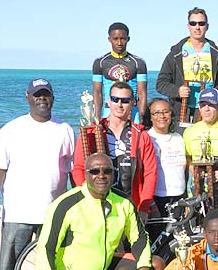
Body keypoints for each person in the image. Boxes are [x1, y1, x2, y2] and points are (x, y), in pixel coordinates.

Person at [36, 153, 153, 270]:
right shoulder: (66, 204)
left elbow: (139, 238)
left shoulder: (123, 202)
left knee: (154, 263)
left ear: (113, 174)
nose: (101, 175)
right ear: (85, 175)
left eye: (107, 171)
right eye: (95, 171)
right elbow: (46, 248)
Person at [0, 78, 75, 270]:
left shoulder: (65, 129)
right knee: (9, 262)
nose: (42, 99)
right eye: (37, 95)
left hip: (54, 210)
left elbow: (72, 171)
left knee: (49, 263)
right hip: (19, 209)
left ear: (53, 99)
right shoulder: (11, 129)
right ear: (28, 97)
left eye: (46, 95)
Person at [72, 81, 157, 220]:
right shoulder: (92, 132)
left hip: (130, 205)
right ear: (108, 101)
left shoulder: (142, 135)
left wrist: (144, 208)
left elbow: (150, 174)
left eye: (125, 100)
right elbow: (79, 168)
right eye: (115, 99)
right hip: (97, 206)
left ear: (133, 103)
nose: (119, 104)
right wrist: (87, 200)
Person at [156, 7, 218, 124]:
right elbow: (161, 84)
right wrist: (177, 91)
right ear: (188, 26)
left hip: (209, 111)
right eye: (193, 23)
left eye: (201, 23)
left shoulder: (217, 53)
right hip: (181, 111)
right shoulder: (176, 53)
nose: (197, 27)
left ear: (207, 26)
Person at [182, 87, 218, 204]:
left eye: (211, 105)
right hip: (197, 189)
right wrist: (192, 168)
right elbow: (186, 157)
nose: (207, 109)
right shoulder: (189, 131)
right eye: (203, 105)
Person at [92, 22, 147, 123]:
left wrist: (142, 119)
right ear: (109, 39)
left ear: (128, 39)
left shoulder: (138, 63)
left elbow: (142, 93)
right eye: (115, 39)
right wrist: (97, 119)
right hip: (108, 111)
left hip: (133, 113)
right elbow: (97, 93)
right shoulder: (100, 62)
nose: (119, 43)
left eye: (123, 38)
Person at [144, 99, 187, 216]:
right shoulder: (146, 137)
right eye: (156, 113)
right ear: (150, 117)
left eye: (165, 112)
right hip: (155, 198)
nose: (161, 116)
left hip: (179, 196)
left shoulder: (179, 138)